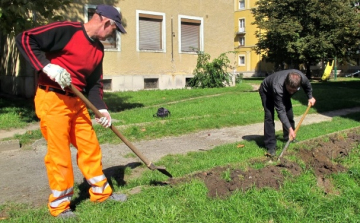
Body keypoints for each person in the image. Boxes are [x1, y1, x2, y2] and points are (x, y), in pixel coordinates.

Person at [16, 4, 127, 218]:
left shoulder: (98, 50)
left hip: (78, 102)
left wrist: (102, 110)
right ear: (106, 22)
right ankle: (60, 205)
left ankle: (101, 193)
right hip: (53, 98)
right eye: (114, 29)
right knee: (60, 153)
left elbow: (94, 83)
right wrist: (47, 67)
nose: (113, 33)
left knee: (90, 146)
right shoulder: (67, 31)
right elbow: (25, 38)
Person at [259, 69, 316, 157]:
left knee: (289, 112)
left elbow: (307, 86)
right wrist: (290, 129)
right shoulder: (278, 87)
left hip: (283, 91)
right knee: (269, 116)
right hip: (267, 92)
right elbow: (281, 112)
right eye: (290, 90)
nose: (292, 92)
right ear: (286, 83)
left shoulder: (302, 78)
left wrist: (310, 97)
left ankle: (288, 137)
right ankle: (270, 145)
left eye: (295, 90)